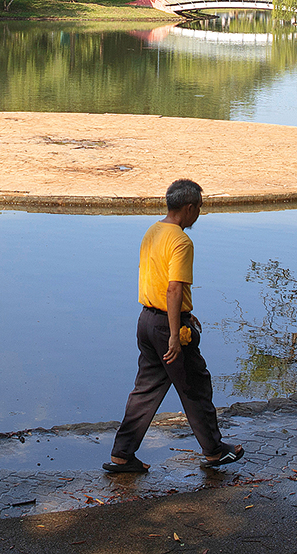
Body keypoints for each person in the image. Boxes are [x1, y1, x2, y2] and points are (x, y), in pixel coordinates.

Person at [103, 177, 244, 473]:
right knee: (195, 385)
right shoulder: (181, 241)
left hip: (146, 320)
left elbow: (155, 280)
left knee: (146, 389)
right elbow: (173, 288)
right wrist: (175, 333)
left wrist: (185, 314)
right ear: (189, 207)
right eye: (200, 208)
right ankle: (214, 451)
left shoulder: (153, 231)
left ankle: (122, 454)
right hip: (168, 327)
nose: (199, 214)